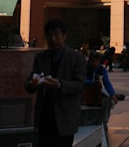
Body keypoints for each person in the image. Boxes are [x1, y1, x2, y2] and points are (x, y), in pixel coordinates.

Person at [24, 19, 86, 147]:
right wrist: (33, 83)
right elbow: (29, 83)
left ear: (64, 36)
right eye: (49, 35)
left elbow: (79, 85)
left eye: (56, 35)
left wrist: (59, 84)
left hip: (65, 117)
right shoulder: (41, 58)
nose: (53, 39)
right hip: (44, 116)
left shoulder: (76, 58)